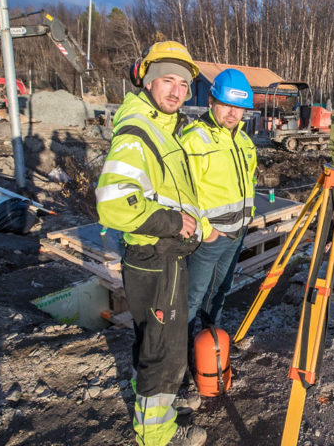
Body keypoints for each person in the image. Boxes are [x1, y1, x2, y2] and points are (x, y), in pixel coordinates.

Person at [96, 41, 210, 446]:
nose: (176, 91)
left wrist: (195, 222)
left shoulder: (162, 127)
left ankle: (153, 406)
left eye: (183, 84)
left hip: (162, 256)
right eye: (167, 80)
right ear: (147, 80)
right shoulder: (138, 131)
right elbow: (113, 203)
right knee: (164, 351)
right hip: (154, 255)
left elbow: (168, 190)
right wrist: (174, 222)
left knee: (153, 341)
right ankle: (157, 435)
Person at [180, 68, 257, 339]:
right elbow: (181, 193)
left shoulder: (245, 142)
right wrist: (206, 230)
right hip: (208, 238)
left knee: (221, 289)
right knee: (192, 297)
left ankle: (211, 341)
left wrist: (246, 222)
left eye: (239, 107)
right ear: (211, 102)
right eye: (226, 105)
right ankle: (186, 354)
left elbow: (249, 183)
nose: (233, 113)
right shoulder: (194, 139)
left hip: (237, 233)